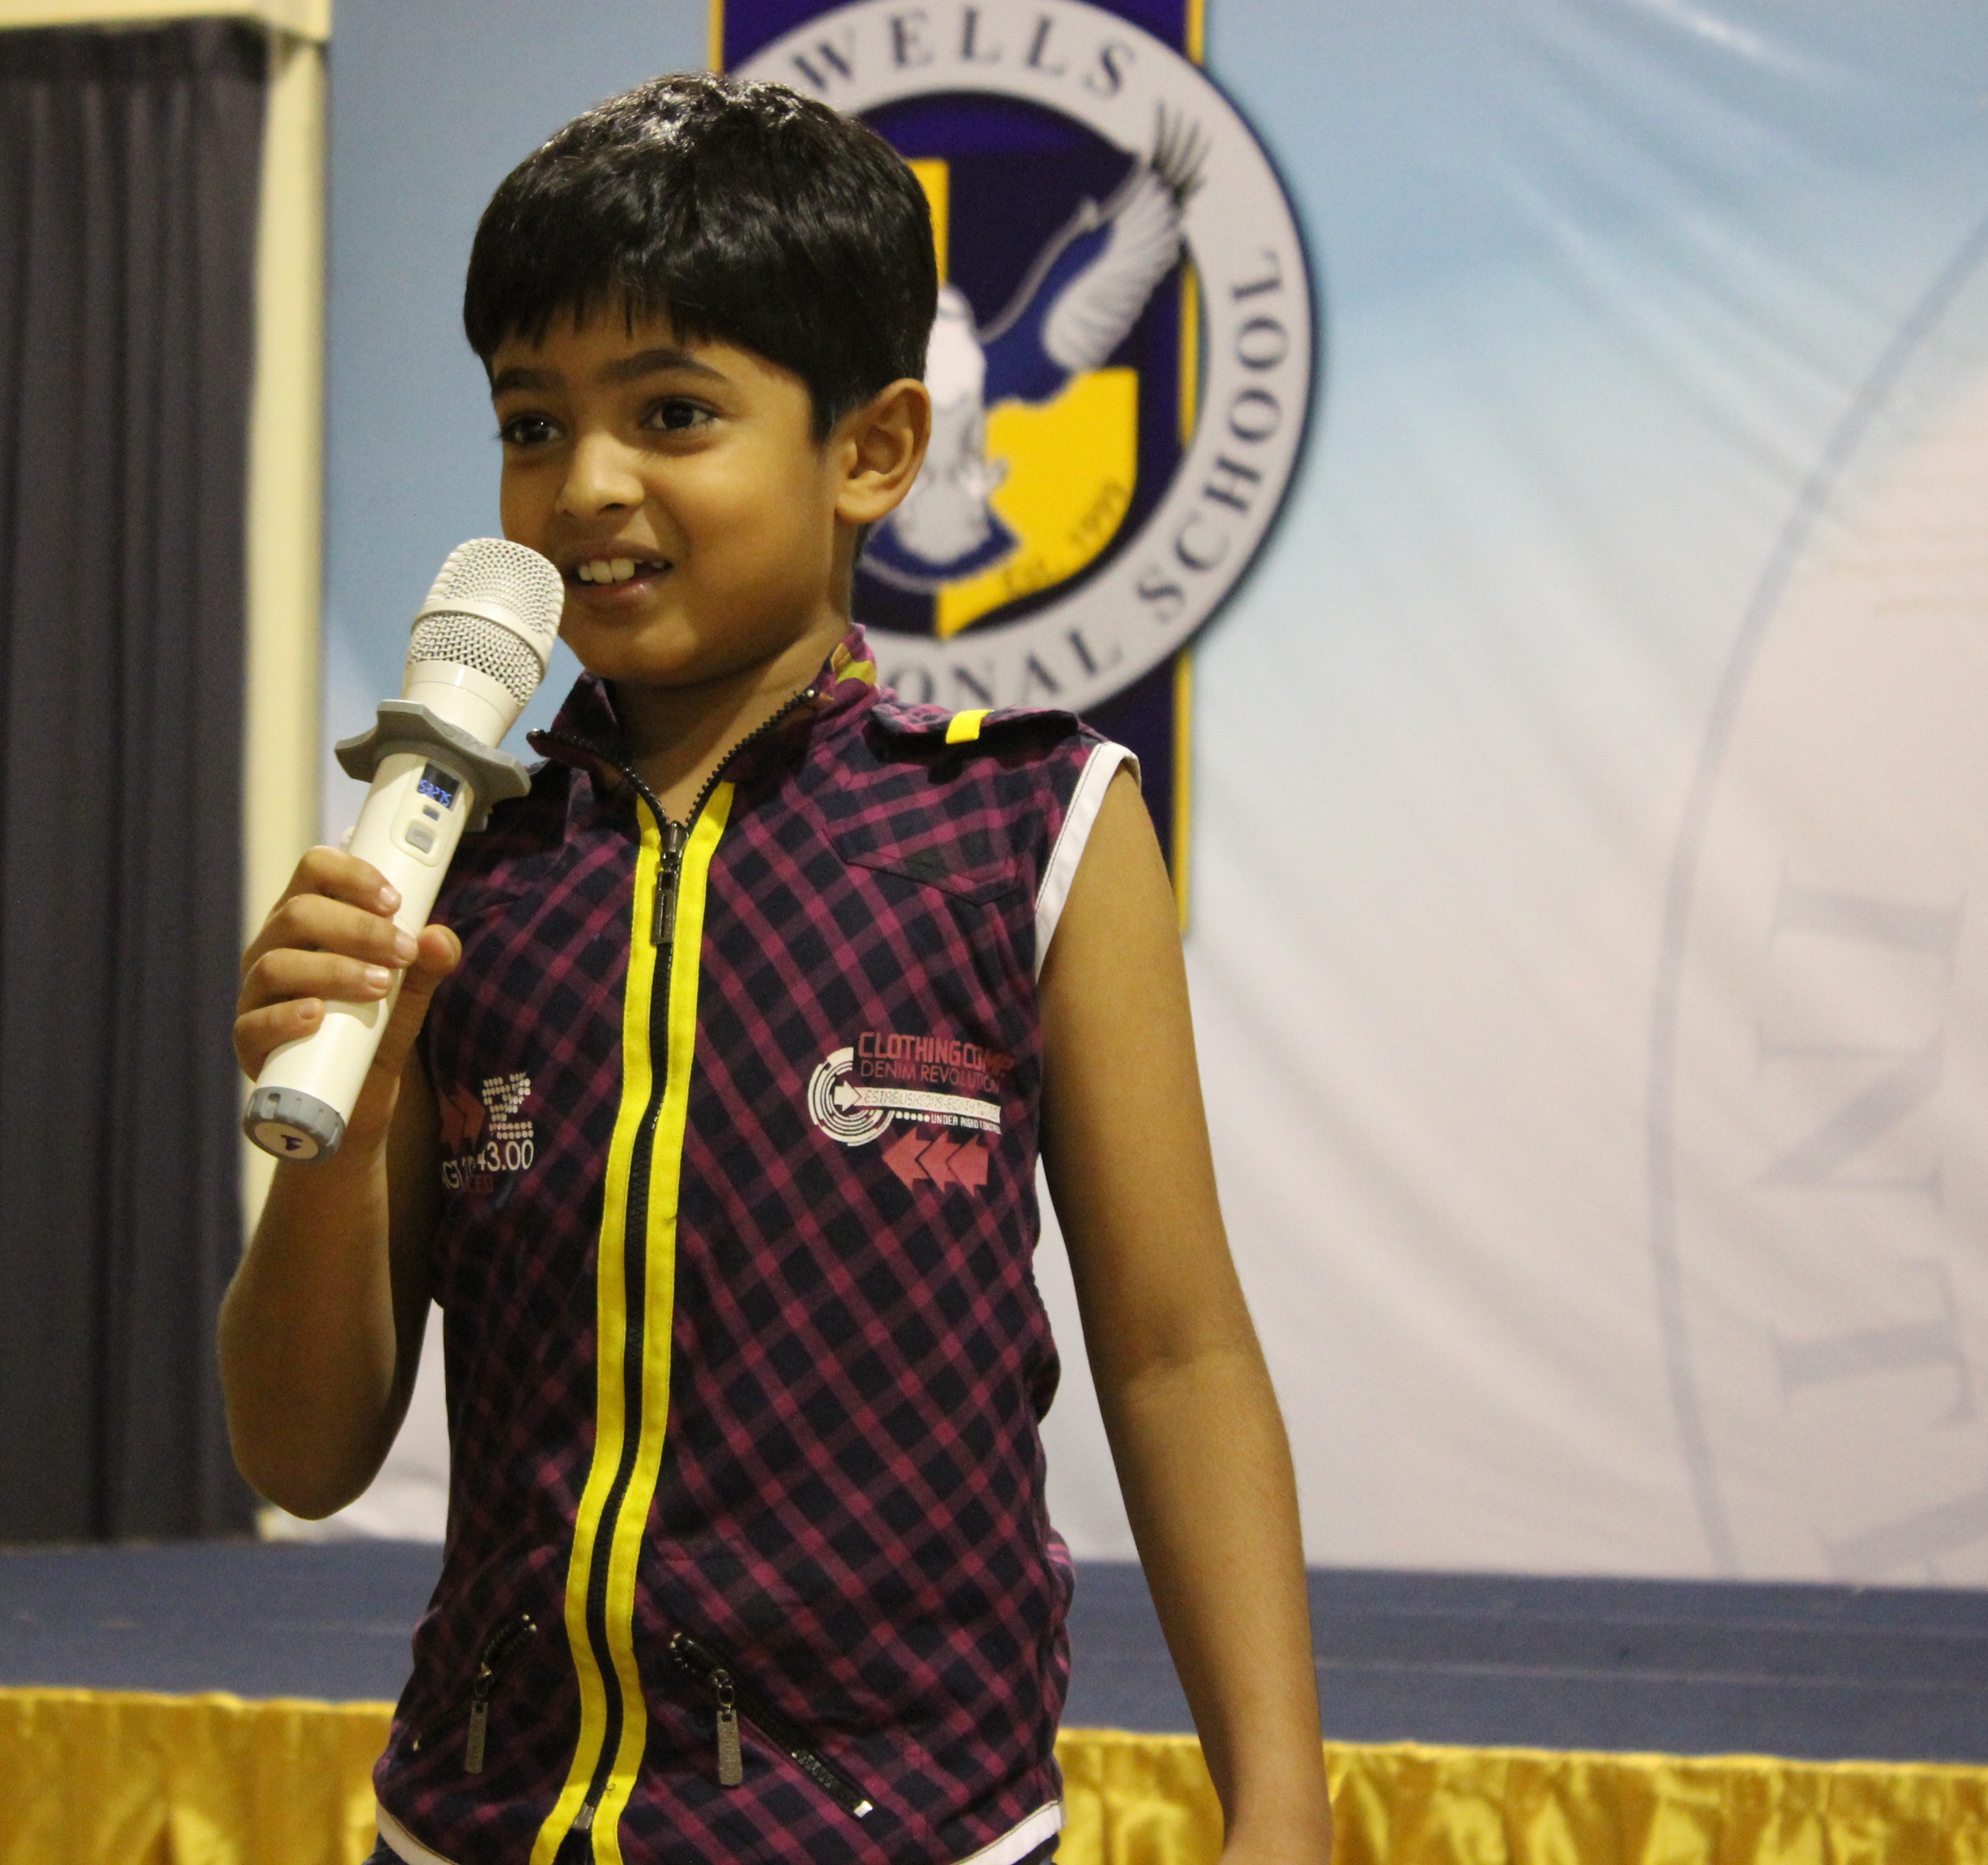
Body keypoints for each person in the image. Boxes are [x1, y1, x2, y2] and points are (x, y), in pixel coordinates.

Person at [223, 73, 1327, 1865]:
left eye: (672, 413)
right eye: (530, 422)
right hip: (472, 1825)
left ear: (874, 451)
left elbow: (1177, 1356)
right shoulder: (457, 869)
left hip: (912, 1832)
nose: (586, 484)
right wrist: (335, 1117)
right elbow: (301, 1454)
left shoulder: (1033, 824)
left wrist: (1280, 1804)